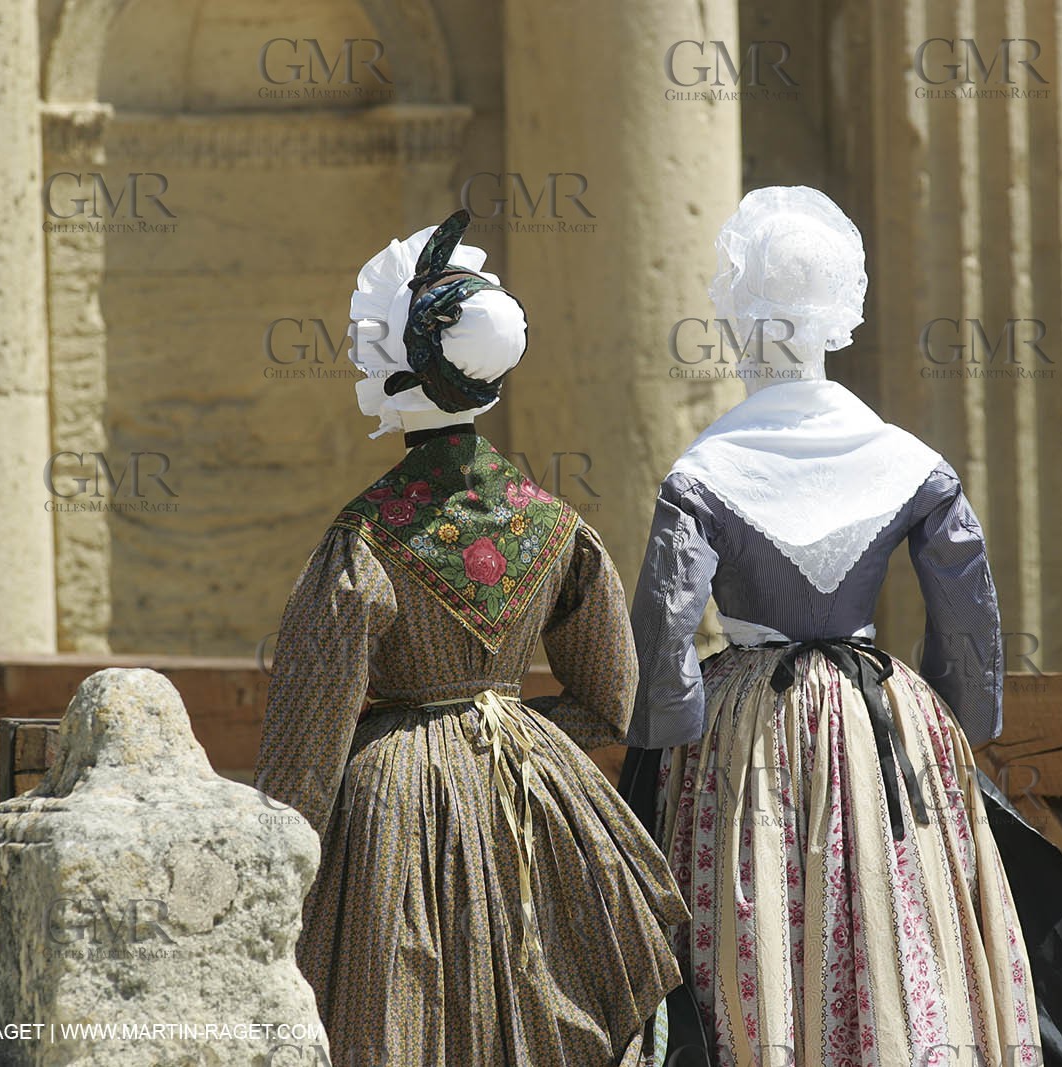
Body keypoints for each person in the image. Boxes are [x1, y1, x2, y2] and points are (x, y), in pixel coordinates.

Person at [256, 209, 687, 1067]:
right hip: (533, 785)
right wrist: (511, 731)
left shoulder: (363, 539)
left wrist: (272, 878)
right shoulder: (557, 526)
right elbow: (614, 698)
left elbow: (306, 752)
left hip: (393, 811)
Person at [623, 186, 1042, 1067]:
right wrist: (958, 725)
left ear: (741, 322)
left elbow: (664, 632)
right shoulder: (908, 460)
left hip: (750, 734)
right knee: (898, 910)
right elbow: (966, 610)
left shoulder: (705, 470)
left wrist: (666, 741)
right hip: (880, 726)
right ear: (832, 320)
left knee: (764, 920)